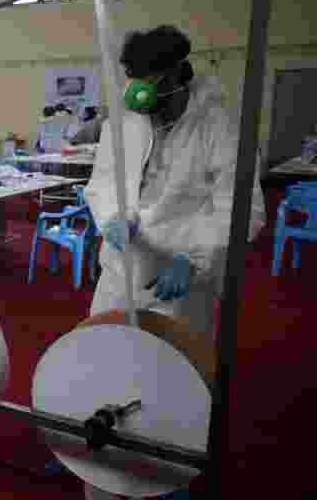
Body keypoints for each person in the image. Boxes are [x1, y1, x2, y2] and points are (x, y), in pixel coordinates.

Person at [85, 24, 266, 344]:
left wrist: (196, 258)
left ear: (177, 79)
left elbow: (242, 208)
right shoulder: (124, 122)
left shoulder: (219, 128)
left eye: (160, 108)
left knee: (172, 362)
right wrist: (114, 217)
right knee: (105, 350)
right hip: (121, 268)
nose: (154, 119)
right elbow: (103, 182)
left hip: (180, 278)